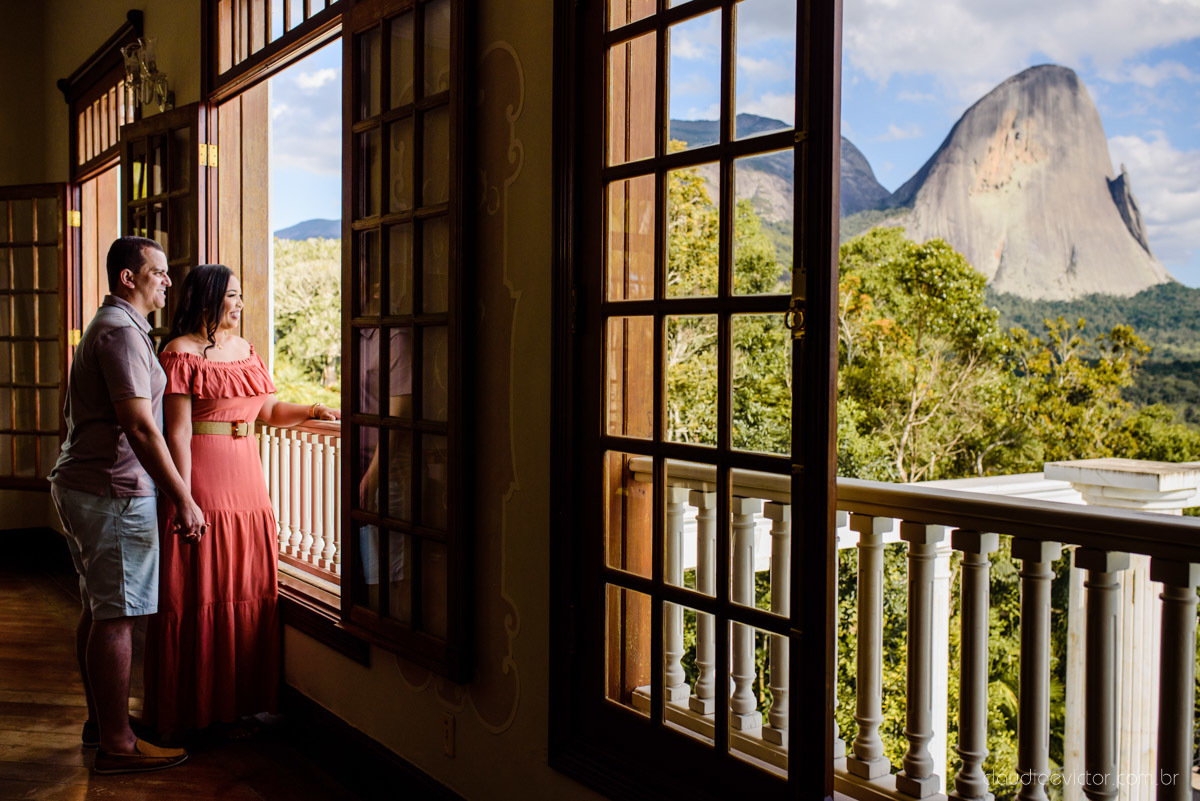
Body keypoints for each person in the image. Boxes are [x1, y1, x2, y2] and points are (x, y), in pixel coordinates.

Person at [143, 263, 339, 739]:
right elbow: (179, 431)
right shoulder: (179, 353)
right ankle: (189, 709)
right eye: (231, 295)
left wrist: (315, 409)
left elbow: (268, 410)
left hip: (248, 486)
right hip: (204, 483)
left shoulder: (247, 351)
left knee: (246, 588)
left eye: (240, 295)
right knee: (199, 591)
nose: (240, 303)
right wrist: (184, 499)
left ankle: (238, 701)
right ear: (207, 298)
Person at [49, 236, 205, 774]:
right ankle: (118, 745)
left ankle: (103, 723)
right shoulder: (119, 334)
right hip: (112, 491)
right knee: (116, 617)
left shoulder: (110, 327)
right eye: (158, 272)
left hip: (89, 484)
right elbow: (140, 425)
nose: (167, 280)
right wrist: (182, 497)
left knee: (98, 609)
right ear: (128, 279)